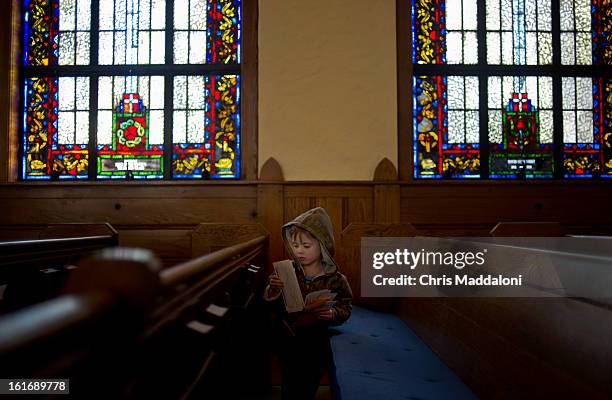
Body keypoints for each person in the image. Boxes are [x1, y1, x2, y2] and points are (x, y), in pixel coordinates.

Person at [263, 207, 353, 400]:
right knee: (290, 382)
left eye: (306, 245)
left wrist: (334, 314)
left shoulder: (336, 279)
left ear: (323, 245)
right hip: (289, 337)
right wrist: (273, 290)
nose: (299, 251)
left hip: (317, 340)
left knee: (308, 383)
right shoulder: (287, 270)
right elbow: (269, 303)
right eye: (295, 245)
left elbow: (346, 306)